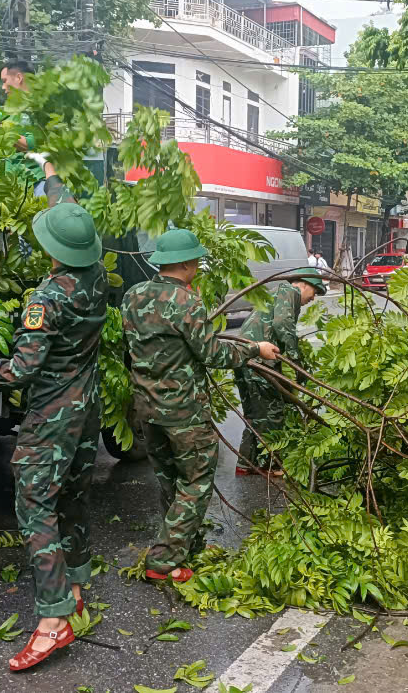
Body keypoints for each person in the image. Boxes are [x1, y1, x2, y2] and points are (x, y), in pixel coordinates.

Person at [0, 157, 105, 673]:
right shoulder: (96, 274)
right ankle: (76, 591)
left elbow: (22, 369)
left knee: (36, 507)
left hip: (53, 415)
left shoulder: (48, 298)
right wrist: (50, 171)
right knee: (74, 497)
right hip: (87, 409)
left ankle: (54, 621)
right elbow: (68, 210)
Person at [121, 230, 281, 582]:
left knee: (169, 481)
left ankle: (186, 547)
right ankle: (163, 560)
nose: (198, 266)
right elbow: (213, 354)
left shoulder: (133, 296)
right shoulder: (186, 302)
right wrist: (255, 349)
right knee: (195, 481)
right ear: (185, 263)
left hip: (147, 408)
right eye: (195, 261)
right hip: (183, 412)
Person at [233, 268, 327, 476]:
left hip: (244, 359)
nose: (313, 298)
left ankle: (246, 464)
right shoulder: (289, 291)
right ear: (303, 284)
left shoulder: (276, 293)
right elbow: (282, 324)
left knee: (254, 415)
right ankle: (272, 466)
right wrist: (295, 361)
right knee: (273, 412)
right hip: (259, 362)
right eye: (314, 292)